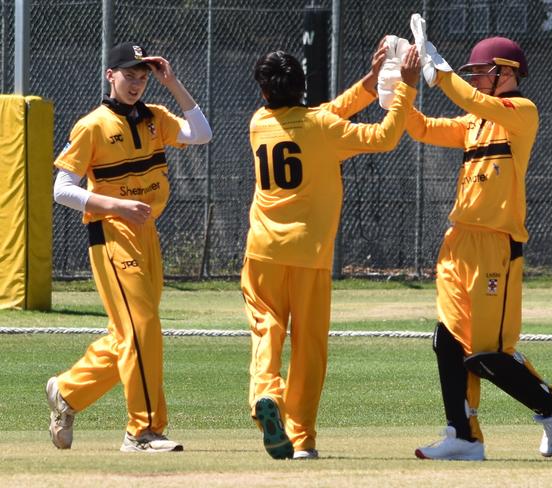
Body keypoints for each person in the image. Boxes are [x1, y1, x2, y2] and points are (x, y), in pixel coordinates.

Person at [403, 35, 552, 460]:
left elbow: (476, 101)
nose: (478, 78)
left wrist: (442, 75)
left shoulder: (522, 112)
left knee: (485, 354)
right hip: (458, 242)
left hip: (496, 245)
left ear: (509, 72)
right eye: (475, 73)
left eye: (484, 71)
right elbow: (420, 128)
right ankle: (463, 435)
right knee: (446, 341)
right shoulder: (473, 122)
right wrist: (403, 89)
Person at [241, 44, 420, 460]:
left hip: (263, 251)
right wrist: (403, 89)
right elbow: (385, 136)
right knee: (309, 347)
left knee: (267, 331)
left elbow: (324, 114)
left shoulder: (258, 123)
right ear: (303, 86)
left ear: (264, 92)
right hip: (310, 253)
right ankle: (301, 438)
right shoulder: (322, 126)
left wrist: (370, 83)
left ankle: (266, 396)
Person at [46, 42, 212, 452]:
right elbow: (62, 190)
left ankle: (68, 391)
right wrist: (116, 204)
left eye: (143, 76)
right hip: (111, 233)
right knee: (142, 328)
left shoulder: (156, 117)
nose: (137, 82)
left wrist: (171, 83)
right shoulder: (92, 125)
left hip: (145, 232)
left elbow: (202, 133)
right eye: (129, 75)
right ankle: (142, 431)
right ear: (110, 76)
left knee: (131, 334)